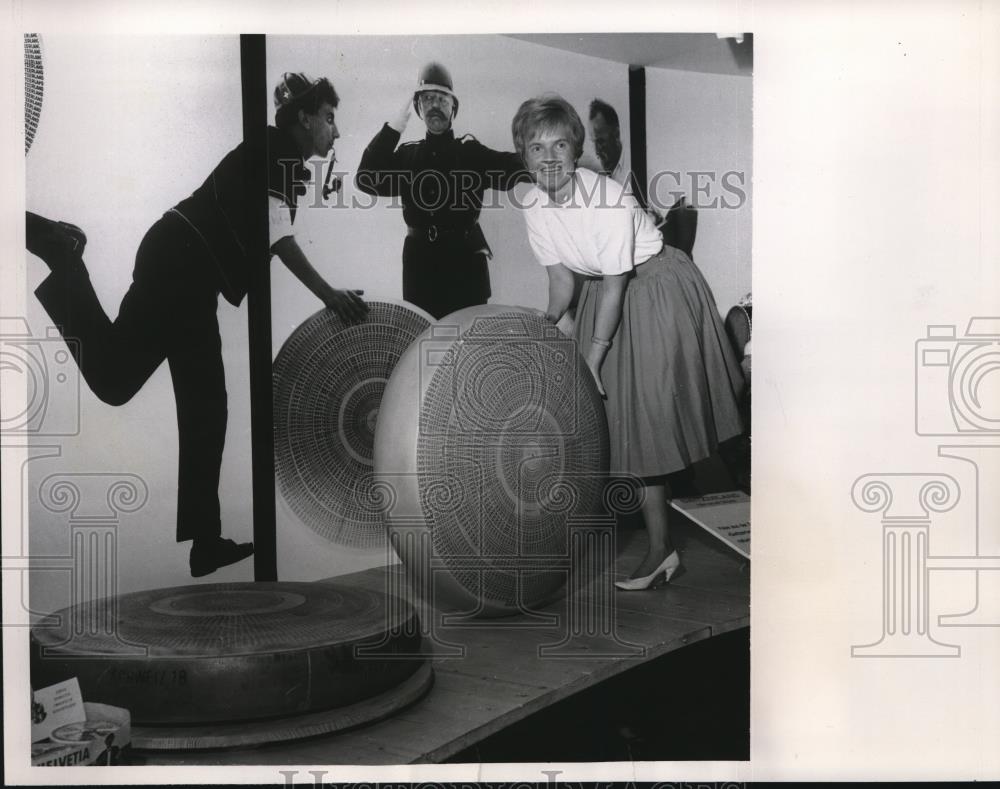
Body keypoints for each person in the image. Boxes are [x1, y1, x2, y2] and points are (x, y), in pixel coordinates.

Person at [25, 72, 368, 578]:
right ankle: (62, 253)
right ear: (306, 116)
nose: (335, 132)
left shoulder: (279, 156)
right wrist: (330, 295)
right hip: (180, 262)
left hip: (188, 270)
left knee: (199, 403)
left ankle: (205, 543)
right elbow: (278, 236)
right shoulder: (277, 151)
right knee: (124, 383)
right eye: (330, 119)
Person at [511, 95, 745, 590]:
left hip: (657, 286)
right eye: (536, 147)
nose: (549, 157)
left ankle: (753, 533)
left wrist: (592, 359)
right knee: (633, 432)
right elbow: (560, 282)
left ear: (575, 151)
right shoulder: (533, 204)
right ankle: (662, 550)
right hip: (606, 292)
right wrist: (545, 321)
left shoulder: (606, 198)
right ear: (525, 157)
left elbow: (618, 284)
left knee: (675, 422)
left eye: (559, 144)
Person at [356, 61, 530, 319]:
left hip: (465, 267)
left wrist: (557, 162)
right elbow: (365, 179)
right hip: (420, 268)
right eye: (427, 99)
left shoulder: (470, 151)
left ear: (453, 107)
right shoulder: (407, 155)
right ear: (418, 107)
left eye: (441, 99)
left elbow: (514, 165)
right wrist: (392, 129)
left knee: (467, 346)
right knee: (426, 343)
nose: (435, 105)